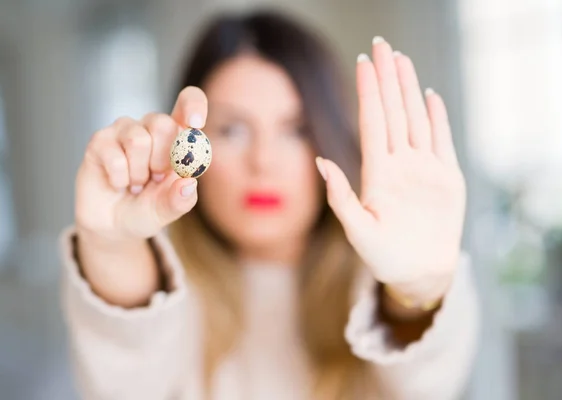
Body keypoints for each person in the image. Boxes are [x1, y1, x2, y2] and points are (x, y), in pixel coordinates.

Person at [60, 10, 478, 400]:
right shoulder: (163, 283)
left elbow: (431, 382)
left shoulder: (373, 285)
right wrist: (111, 249)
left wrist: (416, 292)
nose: (263, 161)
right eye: (232, 130)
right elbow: (126, 372)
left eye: (296, 130)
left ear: (331, 135)